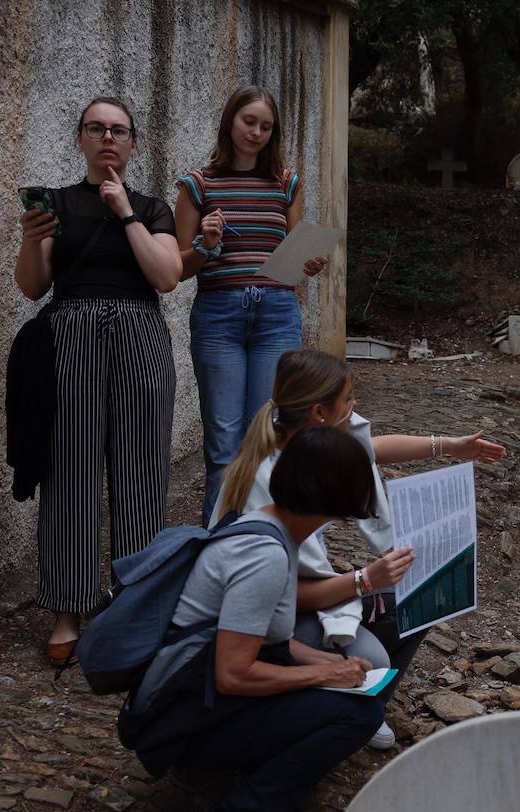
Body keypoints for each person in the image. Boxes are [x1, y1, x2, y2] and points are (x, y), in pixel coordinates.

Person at [121, 426, 404, 812]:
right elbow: (233, 673)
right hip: (186, 724)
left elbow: (263, 640)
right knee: (358, 716)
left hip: (198, 703)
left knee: (349, 689)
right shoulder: (265, 557)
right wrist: (320, 679)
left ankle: (249, 771)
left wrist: (326, 663)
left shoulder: (272, 527)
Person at [213, 349, 506, 749]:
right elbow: (283, 599)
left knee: (425, 594)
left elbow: (371, 450)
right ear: (319, 412)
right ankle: (340, 711)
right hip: (261, 623)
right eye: (349, 399)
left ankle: (360, 701)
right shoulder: (269, 479)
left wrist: (449, 446)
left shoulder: (309, 442)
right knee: (377, 655)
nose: (355, 407)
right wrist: (365, 580)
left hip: (294, 598)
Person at [13, 96, 183, 667]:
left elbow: (165, 277)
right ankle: (68, 607)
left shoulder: (153, 207)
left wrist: (125, 214)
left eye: (119, 130)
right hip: (72, 338)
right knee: (70, 470)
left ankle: (134, 603)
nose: (108, 138)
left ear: (133, 144)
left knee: (142, 470)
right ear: (81, 138)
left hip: (140, 338)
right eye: (96, 128)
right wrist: (30, 238)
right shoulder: (56, 204)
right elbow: (33, 287)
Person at [175, 86, 328, 522]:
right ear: (230, 122)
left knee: (267, 437)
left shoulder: (287, 184)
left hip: (277, 315)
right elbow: (178, 269)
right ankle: (216, 547)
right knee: (223, 444)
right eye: (249, 122)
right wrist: (206, 245)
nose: (256, 132)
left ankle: (262, 544)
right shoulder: (197, 185)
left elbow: (294, 258)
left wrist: (308, 263)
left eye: (266, 126)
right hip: (218, 315)